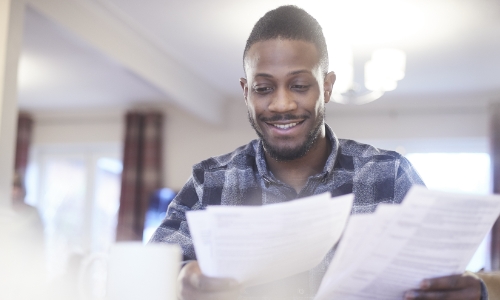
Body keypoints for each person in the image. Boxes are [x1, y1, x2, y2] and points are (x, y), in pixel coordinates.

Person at [150, 5, 491, 300]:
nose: (282, 104)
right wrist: (180, 282)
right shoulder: (208, 183)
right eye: (264, 88)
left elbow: (443, 279)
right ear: (245, 91)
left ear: (326, 86)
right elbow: (147, 277)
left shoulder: (390, 176)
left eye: (299, 85)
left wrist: (471, 291)